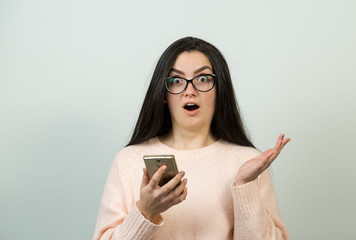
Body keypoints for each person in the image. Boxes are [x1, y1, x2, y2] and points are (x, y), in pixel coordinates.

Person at [93, 37, 290, 240]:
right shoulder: (127, 160)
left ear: (220, 90)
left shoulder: (249, 162)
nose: (190, 91)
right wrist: (145, 211)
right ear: (163, 92)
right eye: (176, 80)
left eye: (203, 79)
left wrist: (245, 186)